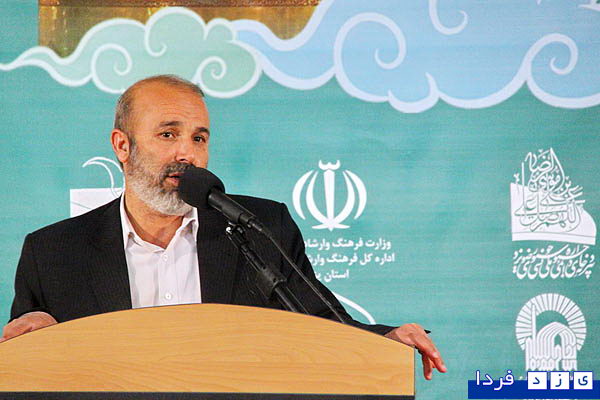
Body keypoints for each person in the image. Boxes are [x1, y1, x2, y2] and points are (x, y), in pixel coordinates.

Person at [1, 75, 447, 380]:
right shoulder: (54, 252)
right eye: (168, 134)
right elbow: (26, 364)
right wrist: (34, 338)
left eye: (199, 137)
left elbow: (322, 322)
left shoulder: (260, 227)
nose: (188, 154)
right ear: (122, 145)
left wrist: (384, 338)